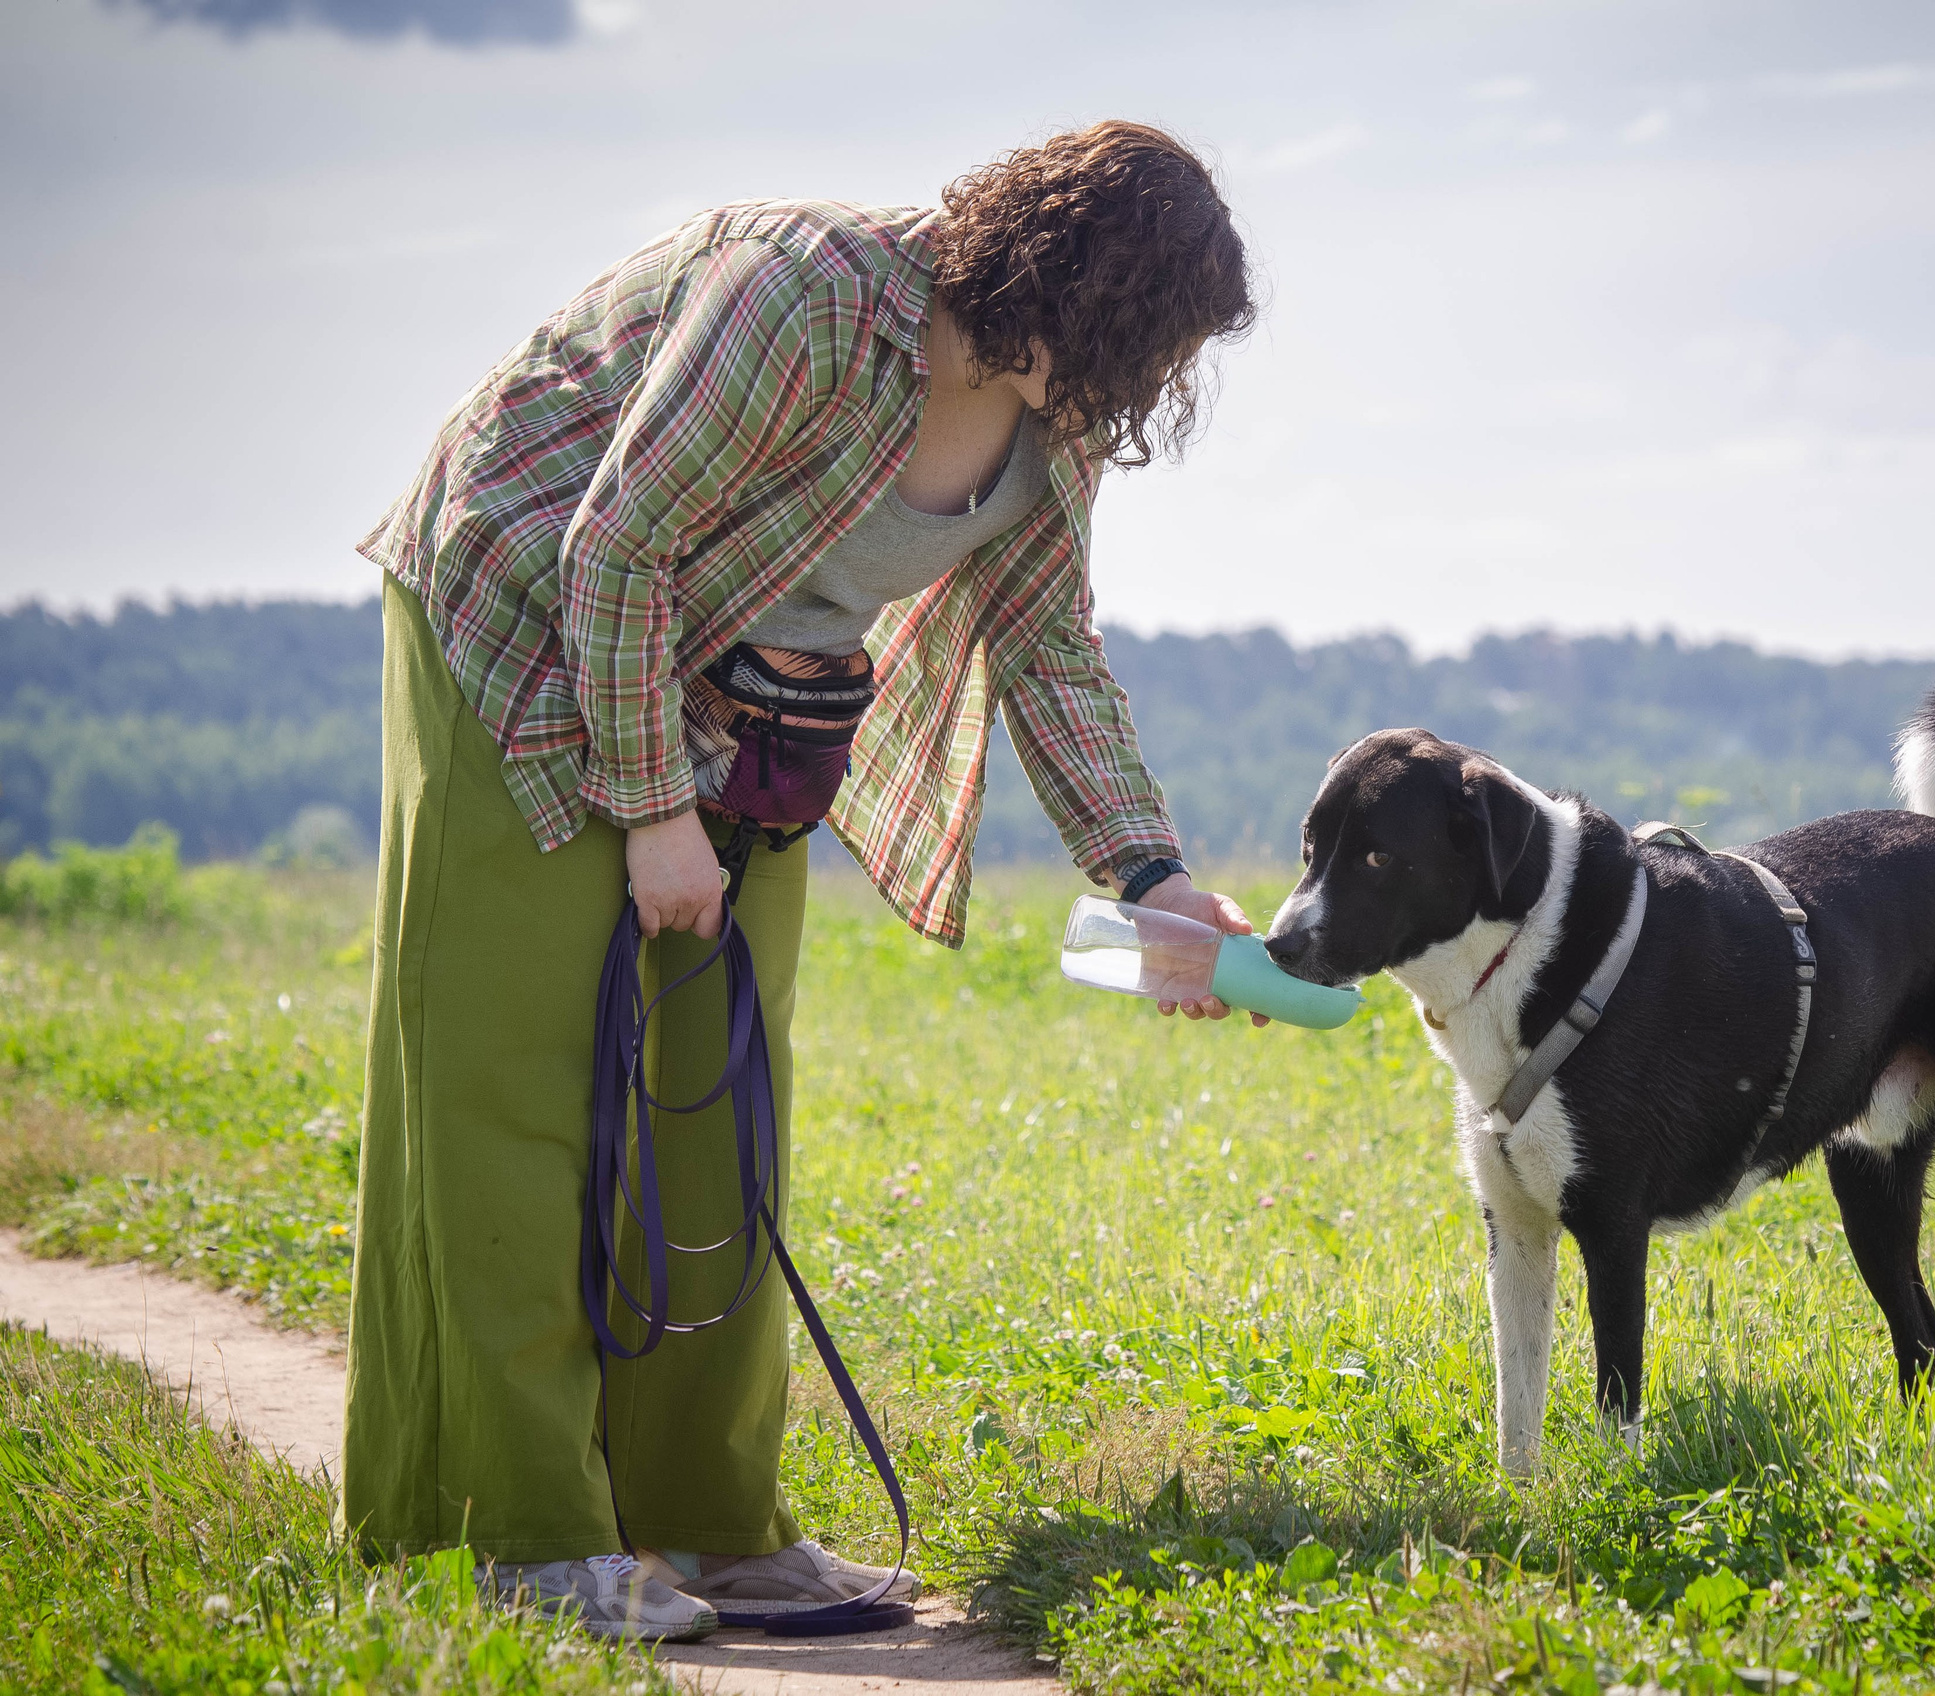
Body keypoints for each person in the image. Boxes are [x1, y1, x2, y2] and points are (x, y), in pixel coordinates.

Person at [340, 120, 1258, 1641]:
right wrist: (648, 814)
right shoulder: (807, 294)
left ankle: (707, 1524)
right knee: (516, 1087)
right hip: (517, 617)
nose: (1151, 386)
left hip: (734, 699)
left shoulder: (1052, 418)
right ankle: (515, 1531)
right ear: (1070, 289)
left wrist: (1150, 877)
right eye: (1144, 341)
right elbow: (617, 547)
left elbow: (1044, 649)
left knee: (719, 1094)